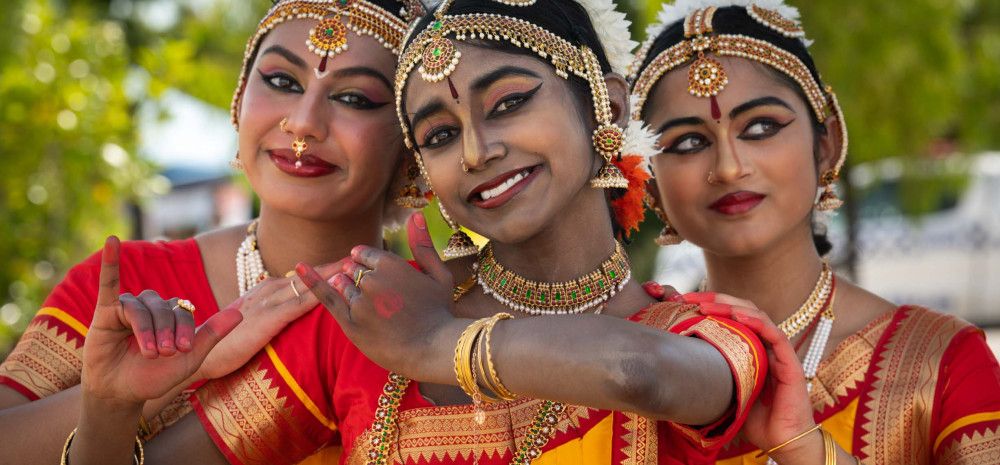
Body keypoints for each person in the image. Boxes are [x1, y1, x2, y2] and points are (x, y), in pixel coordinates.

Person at [278, 0, 772, 463]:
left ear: (609, 106)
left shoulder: (706, 339)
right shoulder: (371, 315)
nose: (476, 152)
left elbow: (633, 374)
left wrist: (437, 344)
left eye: (509, 103)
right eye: (441, 136)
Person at [0, 0, 423, 463]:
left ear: (410, 146)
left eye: (354, 98)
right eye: (282, 82)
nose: (302, 124)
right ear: (239, 101)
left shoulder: (421, 323)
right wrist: (150, 386)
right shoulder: (126, 286)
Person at [629, 1, 1000, 464]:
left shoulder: (940, 363)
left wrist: (804, 448)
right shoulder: (632, 378)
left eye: (761, 127)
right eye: (689, 143)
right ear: (651, 187)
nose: (728, 167)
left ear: (827, 145)